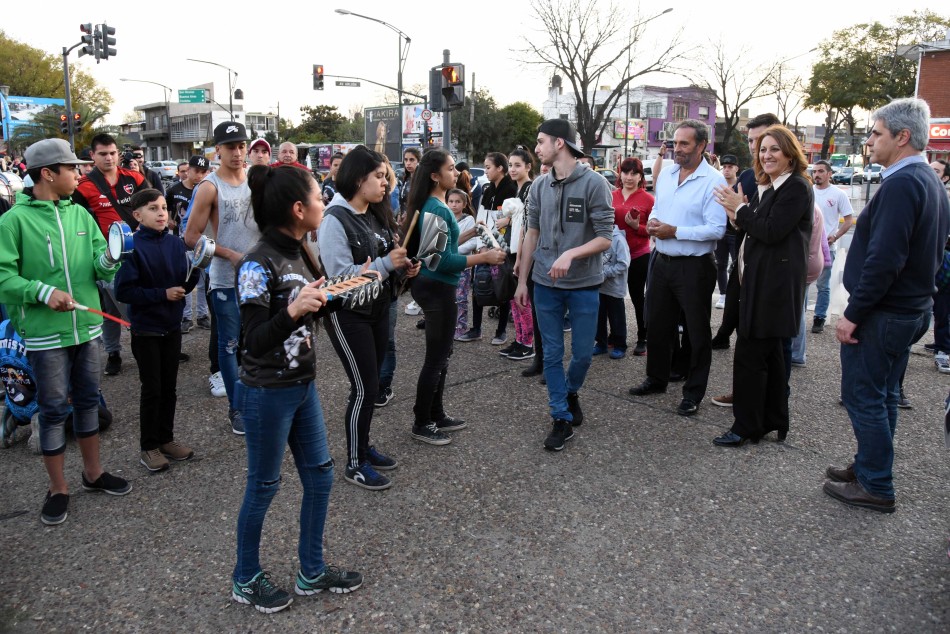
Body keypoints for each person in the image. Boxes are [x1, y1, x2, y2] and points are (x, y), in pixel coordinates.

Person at [232, 162, 362, 614]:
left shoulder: (301, 251)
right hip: (267, 392)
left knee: (321, 475)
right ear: (297, 207)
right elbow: (251, 339)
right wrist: (292, 311)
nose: (323, 203)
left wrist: (339, 293)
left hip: (301, 385)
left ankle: (312, 570)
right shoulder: (256, 261)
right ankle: (244, 577)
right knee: (264, 485)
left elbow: (307, 313)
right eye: (318, 196)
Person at [825, 98, 950, 514]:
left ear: (902, 136)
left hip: (886, 312)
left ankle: (876, 484)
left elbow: (886, 259)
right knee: (882, 397)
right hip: (910, 309)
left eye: (876, 133)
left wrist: (854, 313)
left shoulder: (903, 183)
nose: (870, 141)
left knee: (863, 395)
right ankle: (868, 467)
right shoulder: (930, 180)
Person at [0, 138, 130, 525]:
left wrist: (110, 257)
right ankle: (58, 488)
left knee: (89, 401)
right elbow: (4, 276)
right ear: (47, 174)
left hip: (88, 329)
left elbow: (99, 266)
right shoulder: (13, 221)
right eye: (72, 168)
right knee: (54, 410)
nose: (80, 173)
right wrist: (41, 292)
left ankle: (93, 474)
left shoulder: (80, 215)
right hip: (44, 335)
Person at [318, 146, 419, 490]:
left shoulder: (375, 213)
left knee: (372, 385)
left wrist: (405, 267)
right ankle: (355, 463)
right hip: (350, 316)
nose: (385, 183)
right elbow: (340, 280)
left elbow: (386, 258)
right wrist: (388, 264)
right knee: (363, 388)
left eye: (386, 177)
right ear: (358, 178)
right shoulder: (334, 218)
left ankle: (363, 446)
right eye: (378, 176)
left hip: (377, 310)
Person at [514, 119, 613, 452]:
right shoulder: (539, 186)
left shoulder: (595, 184)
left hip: (584, 284)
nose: (537, 148)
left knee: (583, 355)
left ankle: (571, 392)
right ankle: (560, 416)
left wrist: (571, 253)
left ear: (560, 143)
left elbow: (605, 237)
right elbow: (532, 234)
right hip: (544, 284)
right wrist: (523, 281)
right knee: (552, 353)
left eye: (540, 141)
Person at [711, 125, 813, 447]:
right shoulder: (769, 187)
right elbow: (754, 228)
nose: (766, 155)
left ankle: (745, 427)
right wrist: (736, 212)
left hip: (773, 290)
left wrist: (739, 209)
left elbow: (770, 231)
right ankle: (772, 421)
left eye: (774, 150)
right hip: (758, 284)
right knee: (770, 360)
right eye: (762, 150)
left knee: (750, 358)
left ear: (790, 155)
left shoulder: (796, 187)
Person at [401, 149, 506, 446]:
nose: (456, 173)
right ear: (435, 175)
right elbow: (439, 260)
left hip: (435, 287)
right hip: (436, 288)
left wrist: (471, 232)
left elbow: (440, 248)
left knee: (443, 355)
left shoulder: (436, 206)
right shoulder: (437, 208)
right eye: (449, 169)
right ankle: (422, 421)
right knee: (436, 359)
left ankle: (436, 414)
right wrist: (484, 257)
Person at [628, 120, 727, 417]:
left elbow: (717, 229)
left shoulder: (714, 180)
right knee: (658, 325)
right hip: (662, 261)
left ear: (701, 146)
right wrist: (655, 224)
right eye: (675, 143)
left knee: (697, 333)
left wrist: (676, 231)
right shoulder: (667, 174)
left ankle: (692, 392)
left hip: (694, 267)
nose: (677, 149)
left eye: (684, 144)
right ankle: (656, 378)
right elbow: (659, 207)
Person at [114, 189, 200, 471]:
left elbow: (184, 282)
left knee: (170, 388)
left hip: (171, 327)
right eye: (153, 208)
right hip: (146, 330)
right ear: (137, 216)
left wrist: (197, 269)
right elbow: (124, 291)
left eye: (163, 207)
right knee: (152, 389)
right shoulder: (132, 247)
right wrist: (161, 295)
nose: (162, 213)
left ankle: (166, 439)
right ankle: (148, 446)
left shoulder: (176, 244)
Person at [184, 122, 260, 435]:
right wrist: (228, 254)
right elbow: (190, 236)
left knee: (256, 343)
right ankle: (237, 408)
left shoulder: (257, 180)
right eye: (231, 147)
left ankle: (258, 401)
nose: (238, 152)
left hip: (258, 278)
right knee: (229, 346)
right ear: (218, 150)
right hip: (226, 280)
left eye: (242, 146)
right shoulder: (210, 187)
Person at [72, 133, 148, 376]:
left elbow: (152, 202)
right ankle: (116, 352)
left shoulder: (134, 178)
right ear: (92, 156)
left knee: (127, 302)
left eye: (113, 153)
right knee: (115, 307)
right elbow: (77, 223)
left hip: (138, 252)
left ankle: (147, 346)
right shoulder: (84, 186)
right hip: (105, 258)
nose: (109, 158)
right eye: (103, 154)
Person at [710, 114, 781, 351]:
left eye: (759, 140)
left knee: (773, 343)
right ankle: (745, 386)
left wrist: (740, 210)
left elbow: (772, 229)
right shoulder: (749, 176)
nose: (755, 147)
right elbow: (741, 222)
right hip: (743, 262)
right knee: (740, 319)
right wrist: (735, 218)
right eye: (751, 141)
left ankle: (774, 388)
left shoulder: (792, 183)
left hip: (771, 271)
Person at [458, 152, 518, 344]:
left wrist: (497, 244)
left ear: (500, 168)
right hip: (484, 244)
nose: (486, 171)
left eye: (488, 167)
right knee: (479, 286)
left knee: (502, 287)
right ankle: (476, 328)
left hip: (503, 246)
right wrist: (481, 246)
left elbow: (511, 222)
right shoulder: (488, 189)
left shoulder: (512, 189)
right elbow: (481, 220)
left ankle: (501, 331)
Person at [612, 158, 653, 356]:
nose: (628, 177)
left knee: (638, 298)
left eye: (633, 173)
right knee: (612, 297)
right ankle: (614, 336)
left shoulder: (648, 199)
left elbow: (655, 229)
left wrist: (638, 227)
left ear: (640, 177)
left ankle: (643, 337)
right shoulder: (611, 195)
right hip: (613, 257)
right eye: (625, 172)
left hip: (639, 254)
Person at [166, 156, 211, 333]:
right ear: (188, 170)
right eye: (195, 171)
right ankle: (185, 317)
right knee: (184, 281)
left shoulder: (208, 189)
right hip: (181, 242)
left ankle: (202, 315)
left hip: (203, 243)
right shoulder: (174, 190)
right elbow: (168, 209)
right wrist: (170, 220)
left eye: (203, 172)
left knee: (201, 282)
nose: (199, 175)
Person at [499, 147, 536, 361]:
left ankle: (528, 343)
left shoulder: (531, 189)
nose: (512, 169)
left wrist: (521, 257)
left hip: (524, 251)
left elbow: (528, 226)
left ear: (528, 167)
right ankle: (520, 339)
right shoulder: (518, 190)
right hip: (514, 249)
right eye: (510, 165)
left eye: (517, 165)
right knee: (515, 299)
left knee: (524, 299)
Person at [810, 160, 854, 334]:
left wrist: (835, 236)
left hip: (827, 247)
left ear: (829, 174)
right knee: (801, 283)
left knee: (823, 284)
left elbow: (849, 219)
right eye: (814, 172)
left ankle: (819, 318)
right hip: (807, 246)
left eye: (821, 171)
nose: (817, 175)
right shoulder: (808, 192)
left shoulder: (838, 194)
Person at [592, 223, 631, 358]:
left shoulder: (619, 240)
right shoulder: (596, 237)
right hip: (599, 287)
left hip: (614, 288)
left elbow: (624, 264)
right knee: (599, 317)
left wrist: (605, 273)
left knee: (617, 318)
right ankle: (601, 343)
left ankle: (620, 345)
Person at [447, 188, 479, 339]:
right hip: (447, 265)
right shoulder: (444, 219)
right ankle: (448, 325)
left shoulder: (469, 220)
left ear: (464, 204)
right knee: (448, 296)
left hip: (463, 264)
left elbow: (473, 242)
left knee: (461, 296)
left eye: (458, 201)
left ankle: (461, 326)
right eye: (451, 201)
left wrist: (453, 252)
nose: (454, 205)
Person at [713, 154, 740, 310]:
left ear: (736, 168)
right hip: (720, 231)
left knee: (737, 265)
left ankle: (736, 295)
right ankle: (723, 295)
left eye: (730, 167)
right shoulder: (719, 184)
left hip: (735, 232)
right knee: (720, 264)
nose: (727, 170)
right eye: (724, 167)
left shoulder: (741, 185)